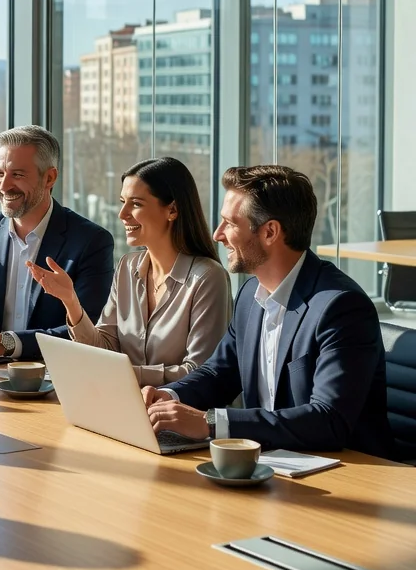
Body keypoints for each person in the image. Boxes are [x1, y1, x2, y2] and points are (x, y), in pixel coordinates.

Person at [143, 164, 394, 457]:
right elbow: (220, 373)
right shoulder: (251, 294)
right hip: (270, 463)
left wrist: (209, 423)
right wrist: (169, 396)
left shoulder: (340, 306)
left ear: (270, 232)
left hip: (346, 472)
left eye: (230, 223)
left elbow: (328, 420)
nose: (217, 234)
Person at [28, 157, 231, 385]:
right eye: (123, 201)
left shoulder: (207, 278)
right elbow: (104, 347)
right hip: (120, 403)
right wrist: (71, 300)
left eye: (136, 204)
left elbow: (199, 371)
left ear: (172, 210)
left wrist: (122, 374)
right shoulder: (127, 267)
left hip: (175, 413)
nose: (122, 214)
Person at [0, 125, 114, 362]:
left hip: (55, 379)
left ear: (49, 178)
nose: (4, 185)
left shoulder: (91, 242)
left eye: (18, 175)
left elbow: (88, 332)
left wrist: (5, 343)